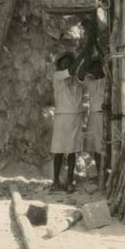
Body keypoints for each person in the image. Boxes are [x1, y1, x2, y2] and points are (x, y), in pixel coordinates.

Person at [50, 51, 84, 193]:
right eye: (63, 64)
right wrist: (83, 54)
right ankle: (55, 182)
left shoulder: (78, 79)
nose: (66, 66)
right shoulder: (57, 76)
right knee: (58, 151)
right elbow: (71, 71)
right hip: (61, 117)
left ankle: (70, 182)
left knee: (72, 152)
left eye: (68, 63)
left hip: (75, 117)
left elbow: (80, 72)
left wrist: (85, 56)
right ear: (60, 66)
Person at [78, 55, 105, 178]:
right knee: (96, 146)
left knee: (104, 146)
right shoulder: (91, 82)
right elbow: (80, 74)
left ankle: (104, 173)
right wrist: (87, 54)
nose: (96, 70)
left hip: (106, 116)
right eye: (94, 68)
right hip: (95, 116)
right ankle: (100, 175)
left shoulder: (107, 80)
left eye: (98, 67)